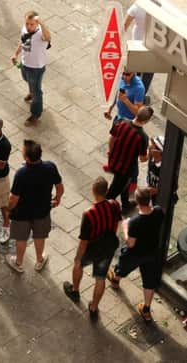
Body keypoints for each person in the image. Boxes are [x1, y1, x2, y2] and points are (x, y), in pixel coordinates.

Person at [63, 177, 121, 321]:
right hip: (107, 249)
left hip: (92, 249)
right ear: (106, 191)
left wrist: (78, 258)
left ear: (93, 191)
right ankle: (94, 308)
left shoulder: (89, 213)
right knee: (100, 278)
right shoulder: (114, 204)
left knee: (78, 265)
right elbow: (118, 223)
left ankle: (75, 291)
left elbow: (84, 241)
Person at [6, 140, 64, 273]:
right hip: (42, 210)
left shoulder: (21, 174)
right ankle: (39, 260)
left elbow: (14, 198)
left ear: (26, 157)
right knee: (39, 236)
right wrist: (58, 198)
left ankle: (19, 262)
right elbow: (60, 186)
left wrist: (8, 208)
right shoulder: (50, 167)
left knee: (21, 238)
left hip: (22, 213)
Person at [107, 188, 164, 323]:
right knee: (149, 282)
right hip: (151, 253)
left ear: (138, 203)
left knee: (123, 266)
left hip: (135, 254)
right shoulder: (158, 212)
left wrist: (125, 227)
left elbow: (130, 243)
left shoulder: (135, 222)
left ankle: (115, 280)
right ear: (149, 199)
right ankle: (146, 310)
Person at [105, 106, 153, 213]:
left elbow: (112, 137)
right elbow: (142, 158)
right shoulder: (142, 137)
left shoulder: (122, 121)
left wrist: (110, 152)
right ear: (146, 121)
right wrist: (150, 153)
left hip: (114, 160)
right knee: (112, 192)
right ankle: (103, 210)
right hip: (125, 169)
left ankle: (125, 204)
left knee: (124, 185)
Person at [11, 10, 51, 126]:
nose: (28, 26)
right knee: (26, 79)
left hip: (36, 68)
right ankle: (31, 91)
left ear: (37, 23)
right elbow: (23, 41)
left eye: (32, 24)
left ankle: (35, 114)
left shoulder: (40, 34)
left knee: (37, 92)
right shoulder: (25, 29)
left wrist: (42, 23)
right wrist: (16, 54)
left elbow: (48, 37)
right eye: (27, 23)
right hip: (25, 64)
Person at [124, 0, 154, 95]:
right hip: (153, 45)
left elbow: (125, 25)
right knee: (149, 71)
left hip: (137, 43)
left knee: (135, 68)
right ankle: (141, 95)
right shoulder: (159, 9)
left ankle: (131, 91)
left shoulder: (137, 6)